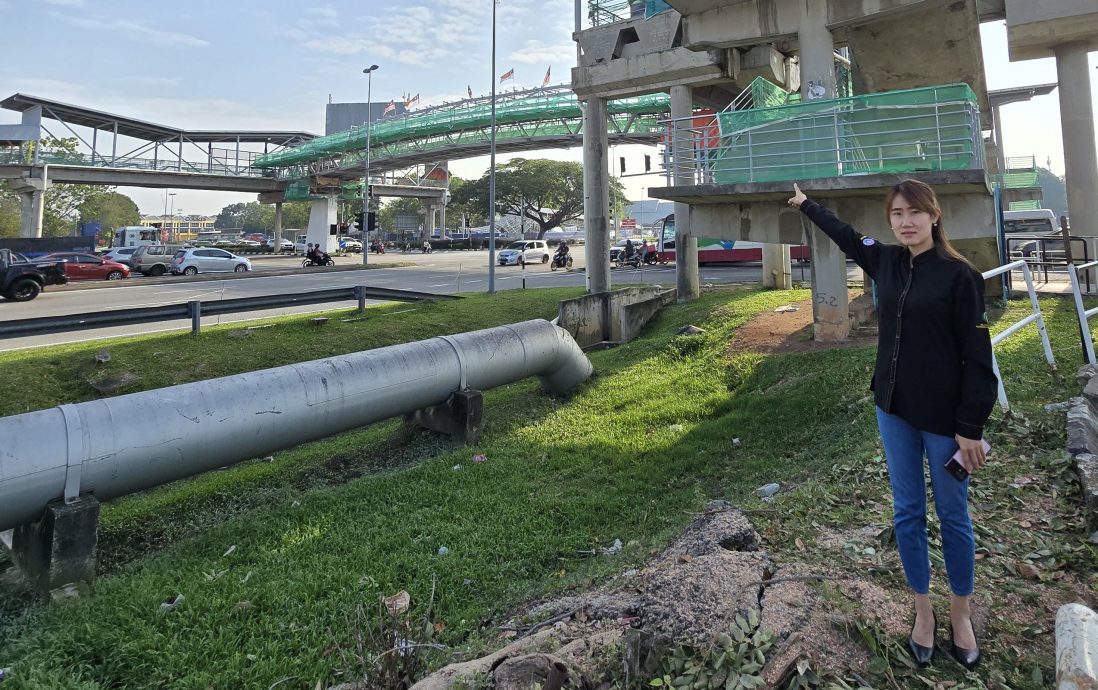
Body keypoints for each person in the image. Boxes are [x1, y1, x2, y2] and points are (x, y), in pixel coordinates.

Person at [787, 179, 996, 671]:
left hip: (945, 420)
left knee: (953, 515)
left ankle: (960, 612)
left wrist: (970, 426)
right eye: (897, 214)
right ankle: (923, 611)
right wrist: (806, 204)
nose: (905, 221)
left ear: (934, 216)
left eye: (915, 213)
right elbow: (844, 234)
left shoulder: (959, 276)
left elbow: (978, 356)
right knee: (907, 513)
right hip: (894, 410)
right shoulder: (886, 262)